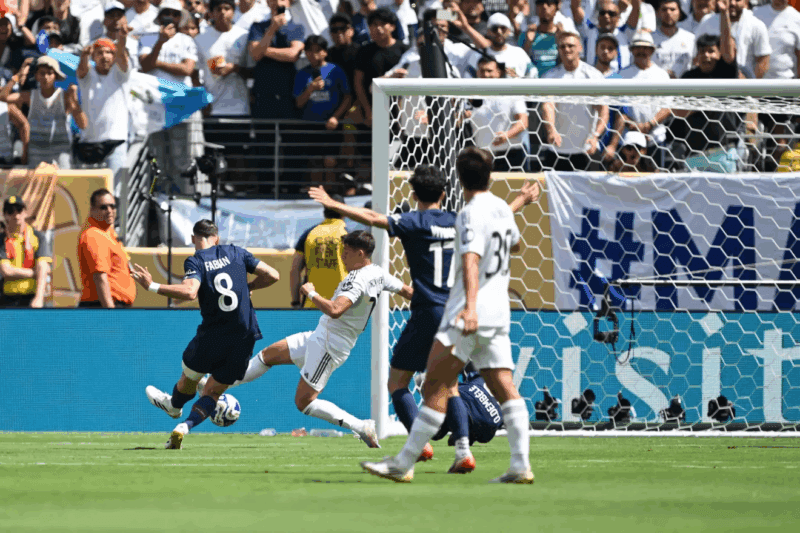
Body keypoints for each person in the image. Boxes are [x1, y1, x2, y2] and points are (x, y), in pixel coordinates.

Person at [308, 166, 538, 471]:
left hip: (428, 310)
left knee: (397, 381)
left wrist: (334, 204)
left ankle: (421, 447)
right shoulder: (460, 220)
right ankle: (463, 451)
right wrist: (521, 199)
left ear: (414, 195)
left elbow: (376, 219)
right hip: (459, 310)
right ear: (444, 194)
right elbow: (493, 221)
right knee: (452, 384)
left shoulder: (413, 222)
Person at [231, 230, 414, 448]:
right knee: (268, 355)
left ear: (360, 253)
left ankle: (361, 426)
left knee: (303, 402)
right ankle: (215, 386)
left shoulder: (357, 280)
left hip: (330, 345)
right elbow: (406, 290)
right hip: (321, 335)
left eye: (346, 253)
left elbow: (335, 310)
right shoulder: (378, 273)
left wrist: (311, 293)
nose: (342, 258)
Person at [133, 219, 280, 449]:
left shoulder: (197, 259)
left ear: (193, 238)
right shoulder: (236, 252)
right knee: (213, 392)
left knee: (188, 378)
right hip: (245, 335)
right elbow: (273, 275)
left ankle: (174, 406)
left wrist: (152, 286)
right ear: (217, 237)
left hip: (214, 335)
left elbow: (190, 292)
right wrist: (249, 287)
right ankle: (184, 426)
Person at [139, 0, 199, 183]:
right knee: (157, 155)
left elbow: (187, 69)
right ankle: (159, 198)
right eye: (167, 12)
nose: (170, 17)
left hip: (179, 105)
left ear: (180, 17)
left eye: (175, 13)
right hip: (155, 105)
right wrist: (160, 42)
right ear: (159, 15)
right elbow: (146, 65)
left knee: (181, 156)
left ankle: (183, 197)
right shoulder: (147, 38)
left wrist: (158, 63)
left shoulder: (187, 40)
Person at [0, 56, 85, 169]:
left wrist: (74, 101)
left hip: (61, 153)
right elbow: (3, 97)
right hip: (36, 154)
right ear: (36, 76)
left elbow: (81, 123)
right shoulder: (30, 96)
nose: (46, 77)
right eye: (42, 73)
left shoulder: (64, 96)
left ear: (55, 76)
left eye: (50, 73)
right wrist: (18, 76)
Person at [540, 32, 608, 172]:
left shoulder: (593, 75)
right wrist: (551, 130)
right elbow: (548, 105)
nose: (566, 49)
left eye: (571, 45)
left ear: (580, 48)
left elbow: (603, 109)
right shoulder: (550, 76)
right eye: (562, 46)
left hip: (587, 149)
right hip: (557, 149)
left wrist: (596, 136)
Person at [76, 33, 131, 184]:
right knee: (87, 193)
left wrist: (122, 40)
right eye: (100, 52)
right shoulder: (87, 75)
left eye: (109, 52)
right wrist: (84, 56)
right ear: (93, 56)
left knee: (115, 190)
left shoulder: (120, 74)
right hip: (89, 142)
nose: (104, 56)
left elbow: (123, 59)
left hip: (116, 143)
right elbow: (81, 71)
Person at [612, 31, 670, 168]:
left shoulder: (662, 75)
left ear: (652, 50)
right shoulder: (622, 75)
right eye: (637, 47)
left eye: (645, 47)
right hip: (628, 140)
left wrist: (648, 125)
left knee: (656, 183)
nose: (641, 51)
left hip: (655, 138)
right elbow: (618, 109)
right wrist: (634, 125)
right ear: (632, 50)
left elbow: (667, 107)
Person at [466, 56, 530, 171]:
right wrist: (462, 116)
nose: (485, 75)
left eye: (489, 71)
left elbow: (523, 121)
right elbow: (459, 121)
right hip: (482, 155)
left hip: (511, 154)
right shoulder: (471, 95)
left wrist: (507, 135)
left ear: (498, 72)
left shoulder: (511, 92)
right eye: (482, 71)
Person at [77, 188, 137, 308]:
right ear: (92, 210)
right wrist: (110, 315)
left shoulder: (108, 233)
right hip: (101, 306)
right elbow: (100, 277)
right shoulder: (94, 235)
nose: (109, 211)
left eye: (112, 206)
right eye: (103, 207)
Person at [291, 195, 348, 308]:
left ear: (324, 212)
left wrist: (295, 302)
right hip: (341, 305)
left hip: (312, 304)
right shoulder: (347, 234)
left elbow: (295, 270)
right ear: (344, 212)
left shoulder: (309, 234)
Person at [354, 8, 407, 125]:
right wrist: (368, 110)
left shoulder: (405, 50)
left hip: (401, 110)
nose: (378, 28)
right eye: (374, 25)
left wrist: (404, 113)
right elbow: (358, 83)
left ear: (392, 27)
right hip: (373, 109)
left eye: (383, 24)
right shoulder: (363, 51)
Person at [430, 363, 504, 447]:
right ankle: (467, 435)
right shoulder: (505, 398)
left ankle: (442, 424)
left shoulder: (479, 377)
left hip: (463, 407)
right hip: (487, 428)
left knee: (427, 383)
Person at [694, 0, 771, 79]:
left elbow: (762, 61)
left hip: (744, 86)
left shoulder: (757, 25)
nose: (732, 3)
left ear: (746, 1)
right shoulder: (707, 22)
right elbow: (696, 57)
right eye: (729, 0)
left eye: (737, 0)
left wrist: (749, 84)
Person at [0, 196, 50, 308]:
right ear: (5, 215)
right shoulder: (1, 239)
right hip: (8, 299)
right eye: (10, 211)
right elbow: (6, 271)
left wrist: (39, 297)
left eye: (19, 210)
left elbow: (42, 265)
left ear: (25, 212)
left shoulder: (38, 237)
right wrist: (36, 273)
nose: (16, 215)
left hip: (33, 297)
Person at [465, 12, 537, 78]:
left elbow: (533, 74)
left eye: (503, 28)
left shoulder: (519, 53)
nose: (499, 32)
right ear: (488, 32)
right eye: (494, 28)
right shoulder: (477, 54)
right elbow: (467, 78)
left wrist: (517, 78)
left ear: (509, 31)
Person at [651, 0, 695, 79]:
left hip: (685, 88)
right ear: (657, 13)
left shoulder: (691, 39)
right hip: (656, 87)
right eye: (664, 9)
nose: (668, 13)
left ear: (680, 13)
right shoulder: (649, 39)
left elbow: (695, 65)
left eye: (672, 9)